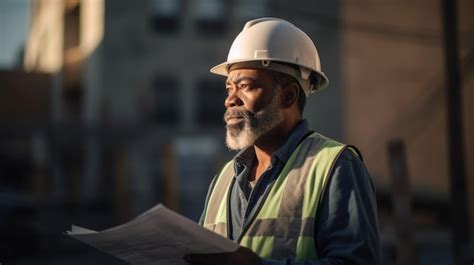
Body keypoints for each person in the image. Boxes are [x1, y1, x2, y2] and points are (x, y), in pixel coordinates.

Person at [184, 17, 381, 265]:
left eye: (245, 86)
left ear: (288, 96)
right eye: (229, 88)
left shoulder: (336, 167)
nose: (230, 100)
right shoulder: (224, 179)